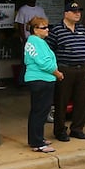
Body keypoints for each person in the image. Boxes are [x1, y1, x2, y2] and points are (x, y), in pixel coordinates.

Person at [47, 2, 85, 141]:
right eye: (74, 11)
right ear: (66, 13)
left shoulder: (82, 29)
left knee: (81, 101)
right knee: (61, 101)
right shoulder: (56, 30)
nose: (78, 13)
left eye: (79, 11)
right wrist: (55, 69)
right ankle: (60, 130)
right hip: (65, 69)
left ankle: (77, 129)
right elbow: (49, 51)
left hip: (81, 69)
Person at [22, 16, 60, 152]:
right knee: (40, 111)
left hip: (40, 79)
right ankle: (38, 143)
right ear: (35, 29)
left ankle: (36, 138)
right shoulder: (36, 41)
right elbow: (44, 62)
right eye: (43, 28)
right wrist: (57, 73)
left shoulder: (34, 41)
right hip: (41, 79)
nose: (47, 30)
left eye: (47, 27)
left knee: (38, 111)